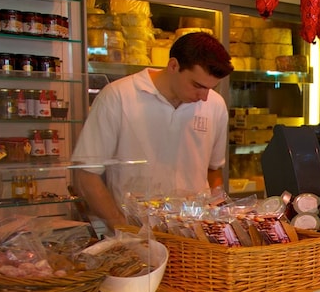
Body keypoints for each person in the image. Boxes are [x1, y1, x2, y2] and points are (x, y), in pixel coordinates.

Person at [72, 32, 234, 230]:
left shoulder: (215, 105)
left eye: (211, 88)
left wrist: (219, 217)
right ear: (173, 65)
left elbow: (213, 169)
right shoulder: (118, 96)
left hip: (196, 237)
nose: (204, 97)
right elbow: (87, 174)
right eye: (197, 86)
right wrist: (122, 226)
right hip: (137, 232)